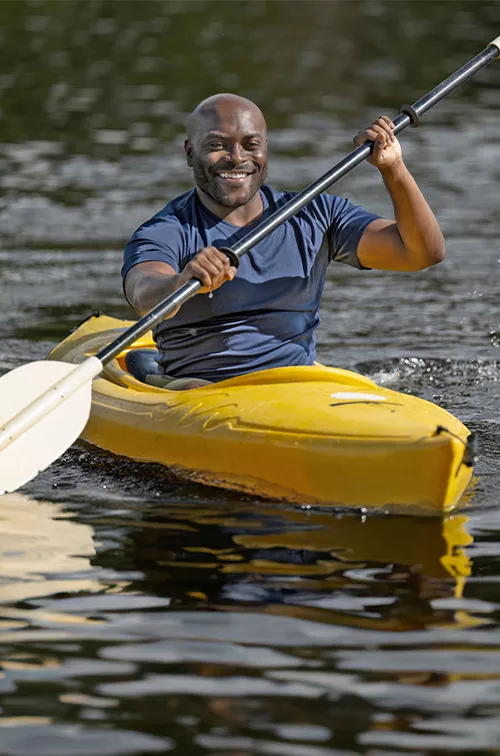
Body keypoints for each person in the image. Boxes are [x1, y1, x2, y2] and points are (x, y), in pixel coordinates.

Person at [122, 93, 445, 389]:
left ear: (265, 148)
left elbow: (420, 254)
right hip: (199, 390)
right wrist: (180, 282)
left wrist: (393, 169)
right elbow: (143, 293)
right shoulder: (168, 229)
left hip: (294, 388)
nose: (236, 158)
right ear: (190, 151)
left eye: (251, 144)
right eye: (218, 144)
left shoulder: (318, 214)